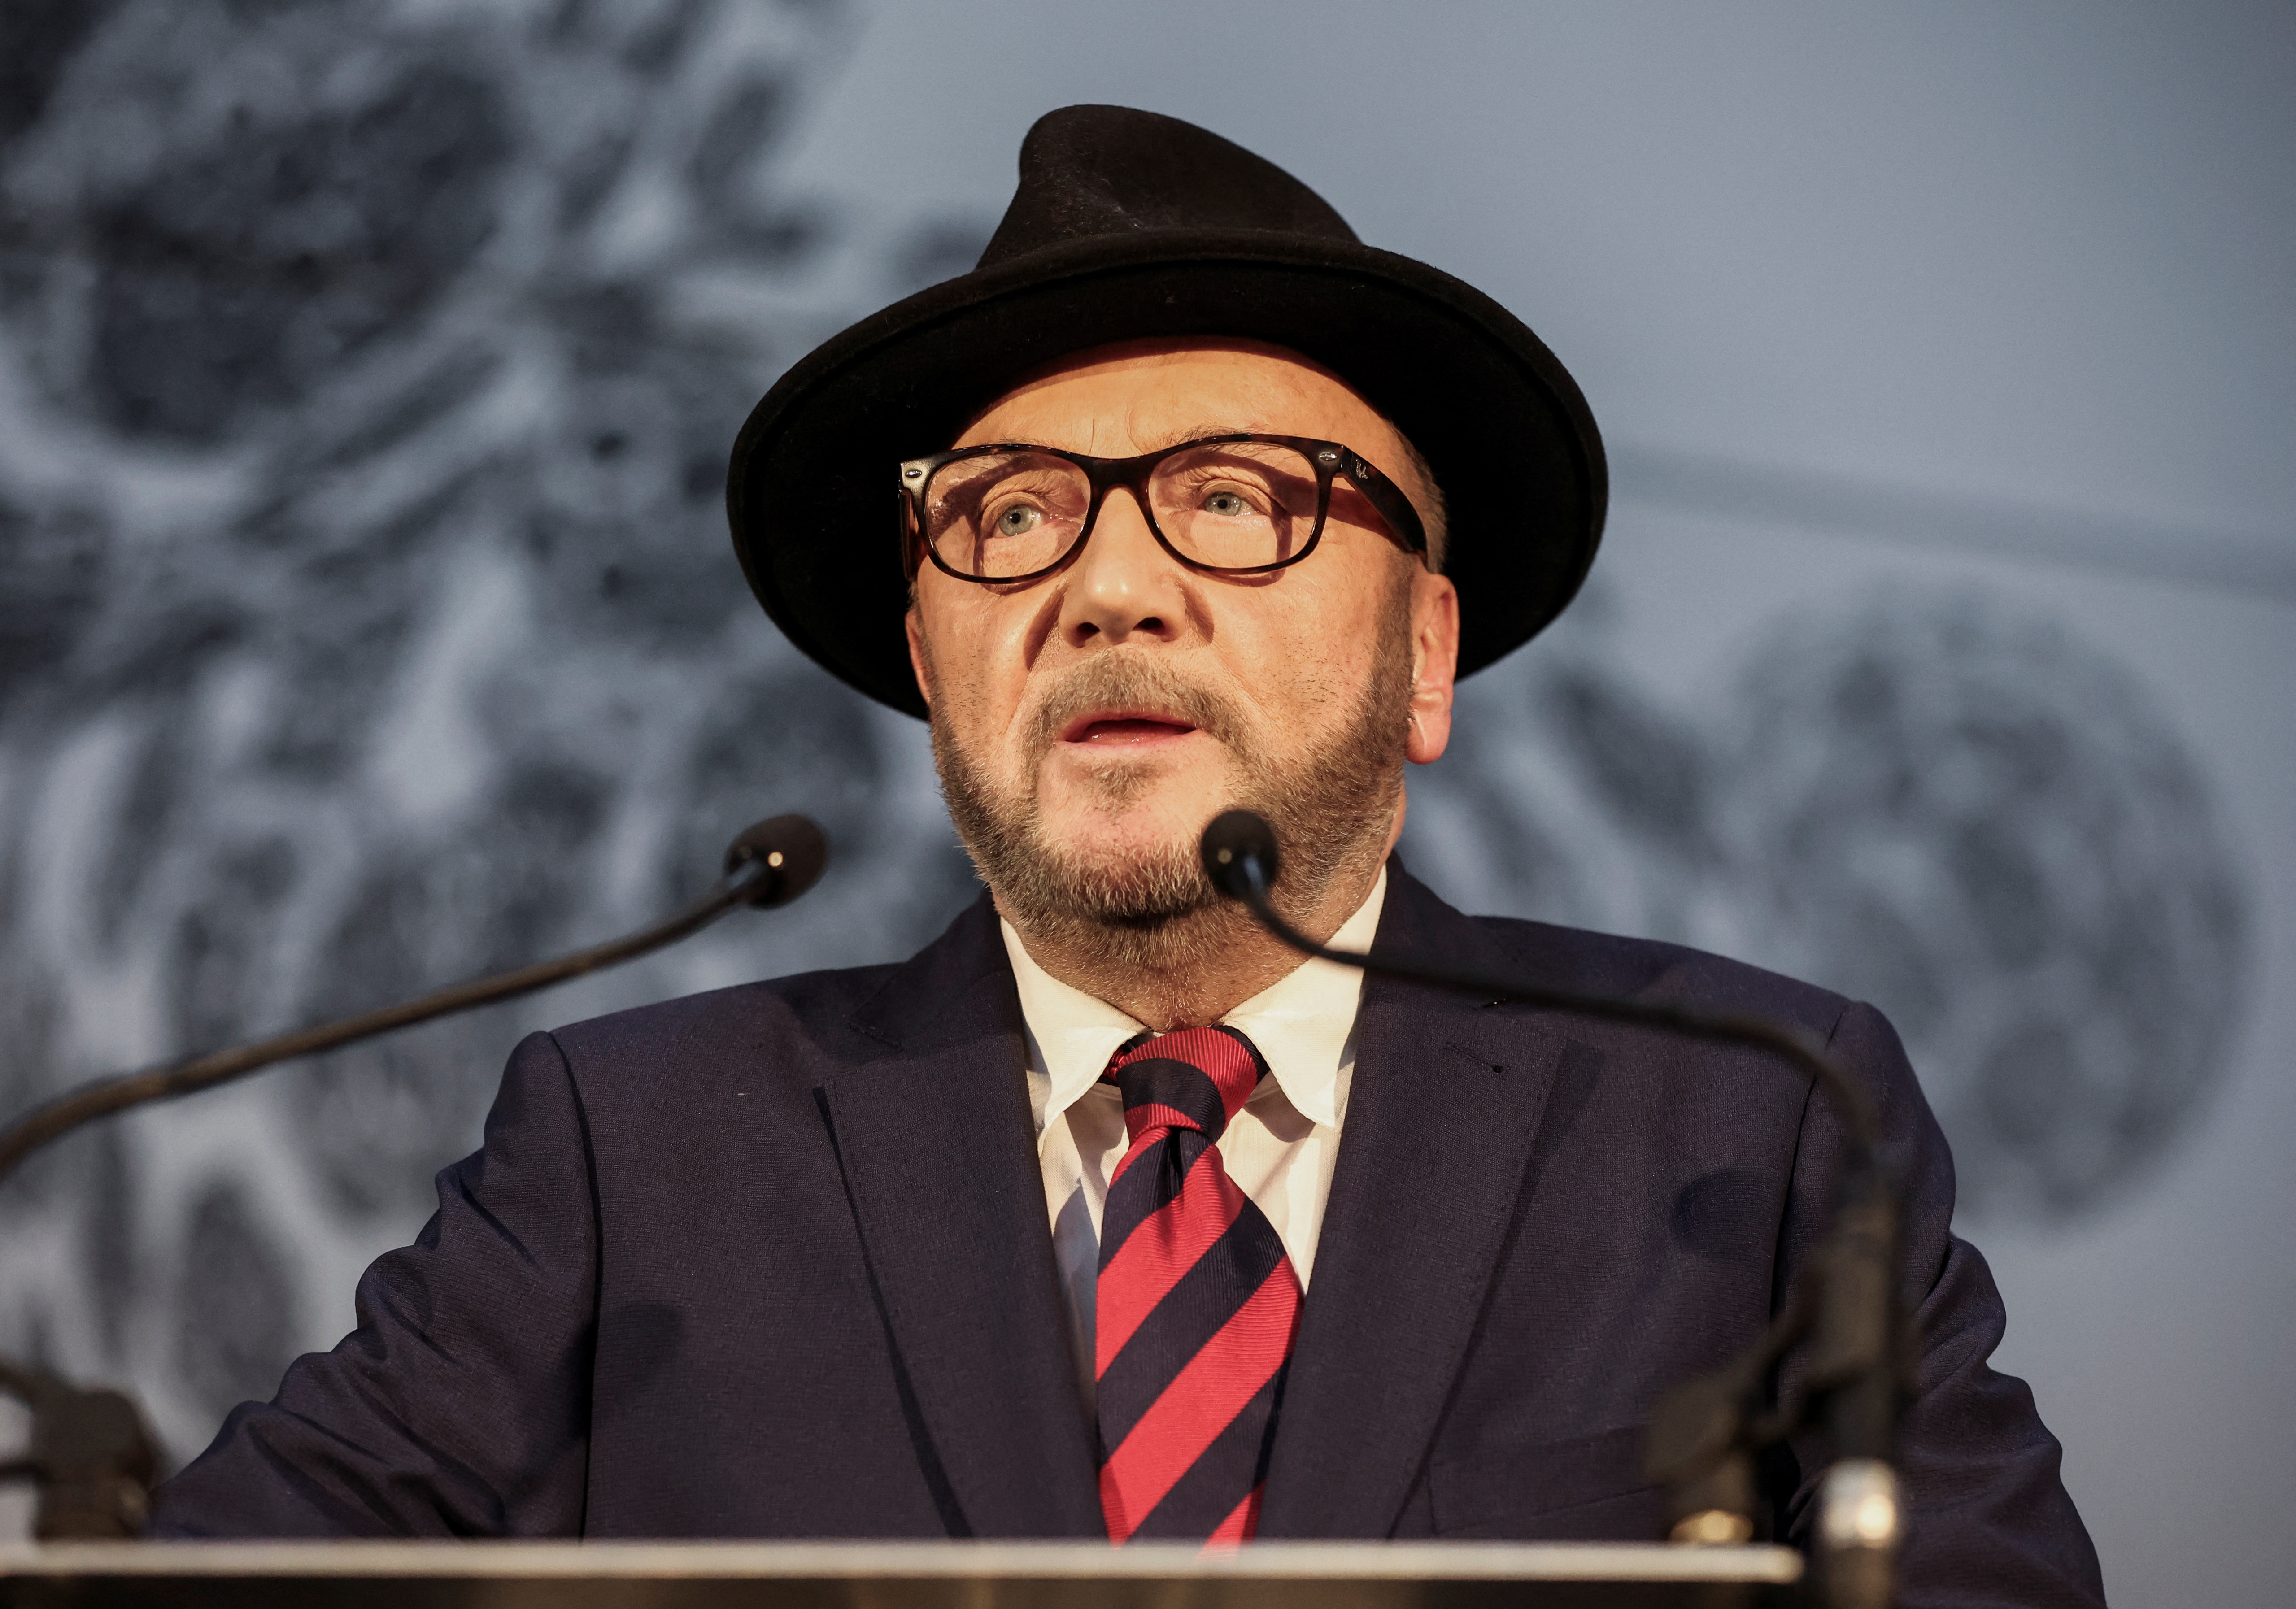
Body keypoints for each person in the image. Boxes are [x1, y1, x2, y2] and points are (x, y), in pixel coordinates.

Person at [151, 106, 2104, 1604]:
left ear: (1424, 651)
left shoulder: (1749, 1128)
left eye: (1232, 500)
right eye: (1005, 515)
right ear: (929, 658)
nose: (1107, 591)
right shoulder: (636, 1154)